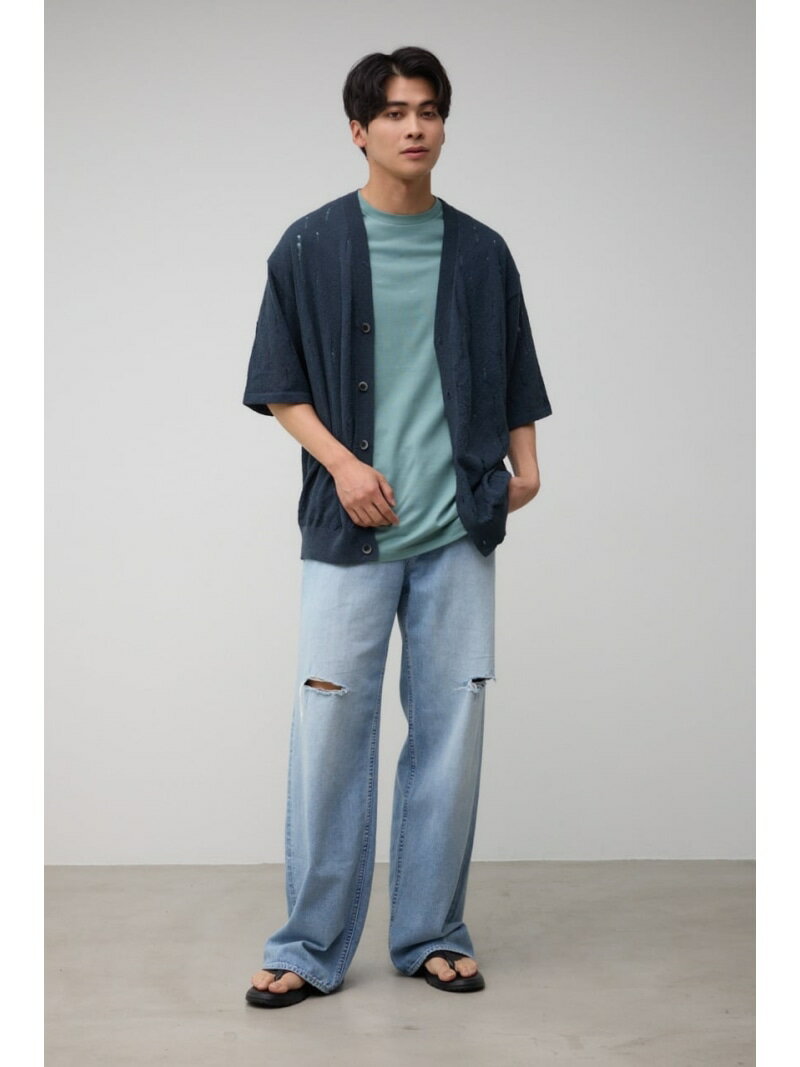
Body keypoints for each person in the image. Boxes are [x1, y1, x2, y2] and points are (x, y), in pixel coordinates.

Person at [242, 46, 552, 1008]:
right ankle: (307, 944)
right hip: (351, 529)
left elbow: (515, 367)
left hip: (458, 527)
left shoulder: (483, 251)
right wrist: (342, 464)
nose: (414, 127)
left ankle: (431, 933)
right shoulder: (310, 245)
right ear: (359, 129)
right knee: (330, 728)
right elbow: (279, 383)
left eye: (428, 110)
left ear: (443, 124)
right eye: (393, 112)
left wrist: (527, 466)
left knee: (451, 733)